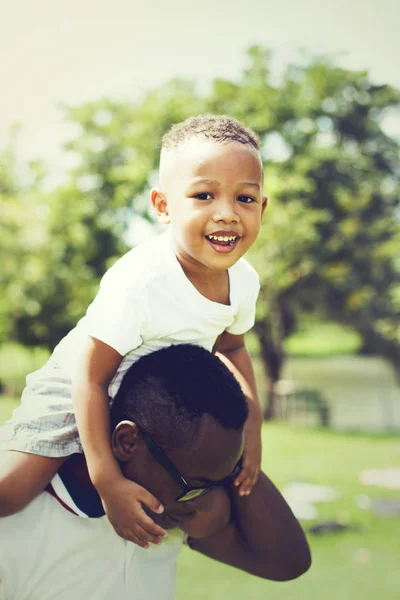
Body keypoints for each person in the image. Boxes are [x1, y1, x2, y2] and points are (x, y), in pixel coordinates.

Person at [0, 114, 268, 547]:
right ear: (163, 206)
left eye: (245, 198)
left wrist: (251, 429)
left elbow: (233, 348)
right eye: (204, 195)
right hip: (76, 392)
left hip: (143, 405)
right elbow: (90, 378)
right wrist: (106, 480)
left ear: (263, 207)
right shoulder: (141, 282)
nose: (227, 214)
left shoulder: (244, 281)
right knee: (9, 492)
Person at [0, 345, 311, 600]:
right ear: (127, 442)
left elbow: (287, 561)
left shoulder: (169, 519)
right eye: (195, 486)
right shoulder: (17, 523)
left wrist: (236, 460)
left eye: (218, 484)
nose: (204, 503)